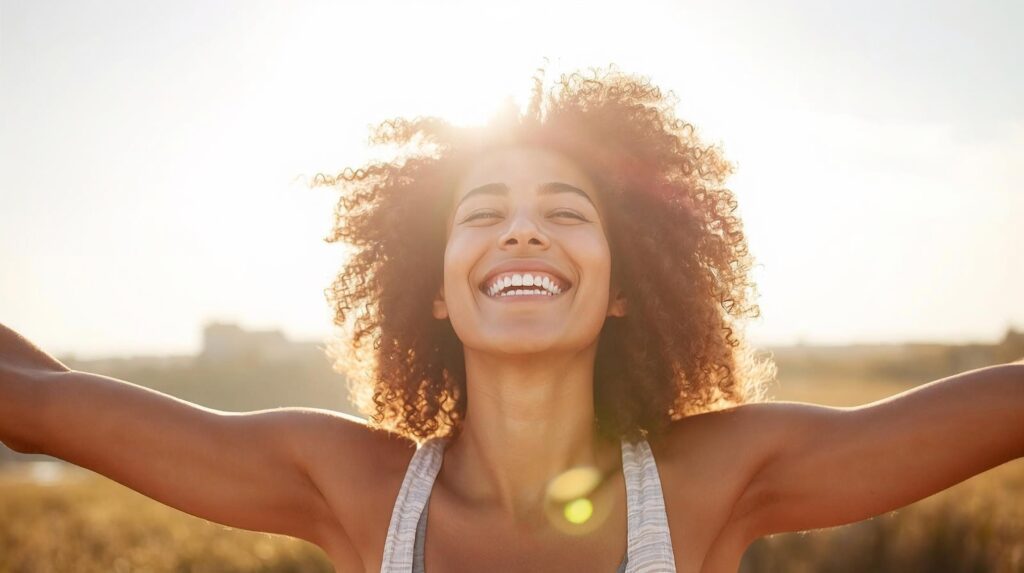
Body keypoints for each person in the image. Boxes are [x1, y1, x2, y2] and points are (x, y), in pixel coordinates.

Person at [1, 66, 1021, 573]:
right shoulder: (354, 490)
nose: (523, 235)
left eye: (564, 213)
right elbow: (33, 404)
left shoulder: (711, 481)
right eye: (482, 214)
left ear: (623, 285)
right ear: (434, 290)